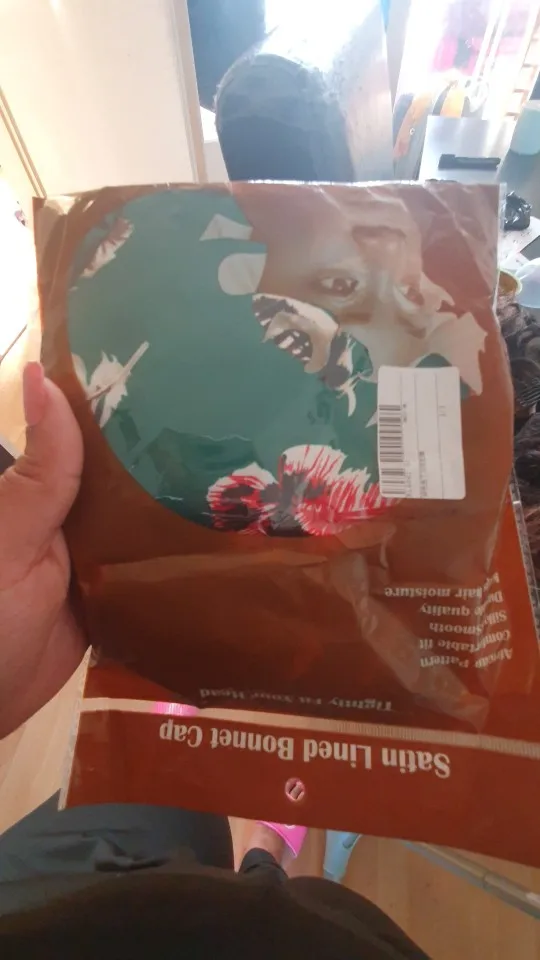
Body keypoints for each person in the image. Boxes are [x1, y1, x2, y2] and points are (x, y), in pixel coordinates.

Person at [0, 362, 429, 958]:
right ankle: (266, 854)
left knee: (154, 801)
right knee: (274, 901)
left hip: (44, 903)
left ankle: (186, 765)